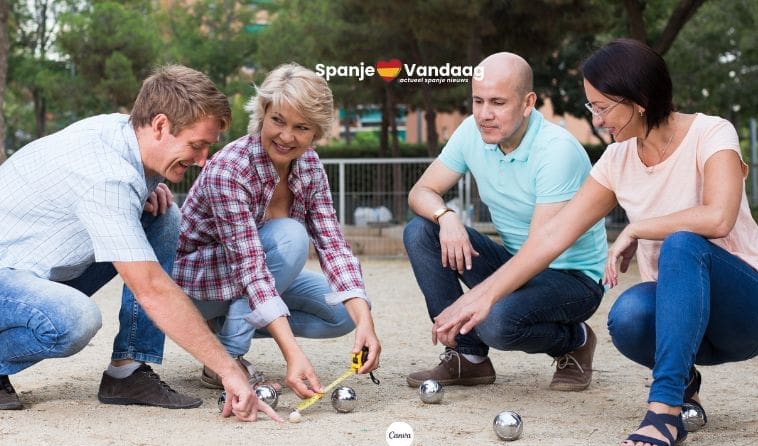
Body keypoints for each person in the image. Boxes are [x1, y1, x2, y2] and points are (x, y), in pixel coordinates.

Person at [433, 39, 758, 446]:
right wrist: (481, 296)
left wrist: (639, 228)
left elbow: (718, 217)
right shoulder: (617, 161)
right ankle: (683, 379)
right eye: (592, 108)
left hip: (753, 309)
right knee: (627, 316)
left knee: (682, 244)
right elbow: (551, 236)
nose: (598, 120)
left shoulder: (711, 133)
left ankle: (664, 411)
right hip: (686, 317)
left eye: (602, 107)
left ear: (638, 99)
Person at [0, 65, 279, 422]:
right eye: (197, 145)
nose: (202, 159)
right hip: (9, 275)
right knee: (75, 319)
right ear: (161, 125)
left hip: (29, 267)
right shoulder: (107, 178)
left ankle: (127, 372)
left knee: (162, 216)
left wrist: (147, 188)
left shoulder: (123, 134)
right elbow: (151, 289)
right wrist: (228, 370)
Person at [173, 63, 381, 400]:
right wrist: (293, 353)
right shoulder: (231, 168)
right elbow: (251, 268)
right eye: (278, 121)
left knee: (344, 312)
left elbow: (334, 246)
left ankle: (224, 330)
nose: (286, 137)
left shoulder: (310, 165)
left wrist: (366, 323)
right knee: (290, 237)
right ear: (263, 113)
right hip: (194, 288)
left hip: (249, 278)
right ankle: (226, 358)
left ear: (316, 132)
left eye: (301, 127)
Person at [403, 52, 608, 392]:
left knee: (495, 322)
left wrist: (478, 299)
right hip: (518, 262)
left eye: (498, 102)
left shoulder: (557, 151)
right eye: (478, 101)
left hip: (573, 278)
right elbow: (421, 191)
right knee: (422, 231)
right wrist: (447, 216)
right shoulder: (471, 132)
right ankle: (467, 360)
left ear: (528, 103)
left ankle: (576, 340)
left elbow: (541, 248)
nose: (484, 114)